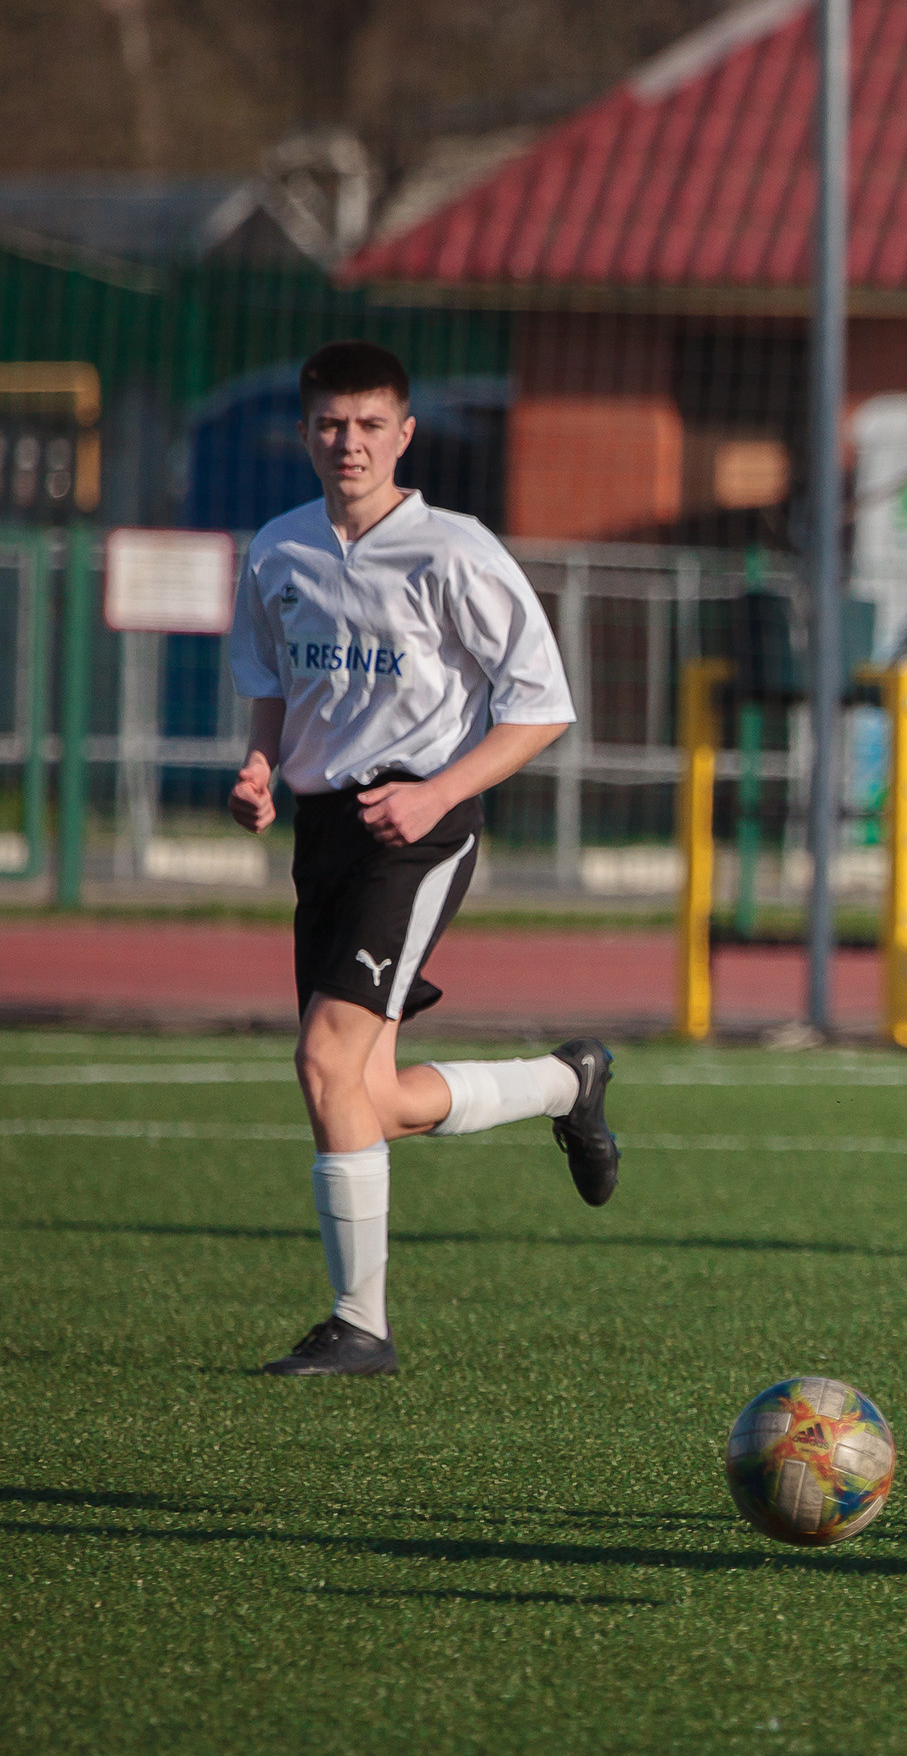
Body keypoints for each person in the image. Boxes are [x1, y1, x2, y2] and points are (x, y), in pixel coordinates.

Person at [228, 340, 623, 1379]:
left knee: (322, 1062)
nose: (347, 442)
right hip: (323, 835)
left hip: (422, 830)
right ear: (305, 431)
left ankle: (360, 1324)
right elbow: (272, 679)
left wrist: (439, 791)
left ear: (404, 434)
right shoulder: (278, 550)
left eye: (368, 425)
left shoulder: (454, 552)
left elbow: (542, 707)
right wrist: (262, 766)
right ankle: (560, 1084)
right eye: (328, 424)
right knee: (369, 1094)